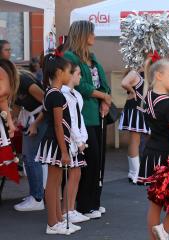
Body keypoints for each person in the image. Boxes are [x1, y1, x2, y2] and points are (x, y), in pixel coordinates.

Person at [63, 20, 111, 219]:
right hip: (83, 117)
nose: (94, 36)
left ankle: (94, 202)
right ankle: (83, 205)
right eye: (91, 33)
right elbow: (78, 85)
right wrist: (102, 96)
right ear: (83, 34)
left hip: (98, 115)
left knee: (99, 161)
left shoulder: (92, 57)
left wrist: (106, 99)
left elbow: (104, 83)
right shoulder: (69, 57)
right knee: (88, 162)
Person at [136, 58, 169, 240]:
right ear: (159, 75)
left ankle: (157, 235)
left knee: (156, 204)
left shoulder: (148, 97)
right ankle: (164, 230)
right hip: (167, 158)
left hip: (151, 154)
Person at [34, 54, 79, 235]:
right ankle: (52, 223)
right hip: (56, 143)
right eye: (69, 72)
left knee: (57, 181)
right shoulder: (56, 96)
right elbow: (58, 125)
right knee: (52, 183)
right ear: (60, 73)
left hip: (56, 142)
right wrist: (64, 151)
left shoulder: (52, 93)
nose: (70, 75)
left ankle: (59, 219)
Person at [12, 70, 46, 211]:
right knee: (28, 158)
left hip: (41, 119)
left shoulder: (25, 81)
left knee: (32, 158)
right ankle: (35, 195)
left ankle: (37, 198)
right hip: (31, 118)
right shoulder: (12, 83)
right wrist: (13, 120)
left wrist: (35, 124)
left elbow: (47, 103)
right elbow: (17, 105)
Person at [60, 64, 90, 223]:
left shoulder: (77, 94)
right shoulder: (64, 94)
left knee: (77, 174)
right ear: (70, 75)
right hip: (70, 141)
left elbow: (80, 119)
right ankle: (66, 210)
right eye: (78, 73)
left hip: (78, 140)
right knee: (72, 174)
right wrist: (78, 141)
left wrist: (83, 138)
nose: (80, 77)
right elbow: (70, 121)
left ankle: (71, 208)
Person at [119, 67, 150, 184]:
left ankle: (134, 172)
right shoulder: (134, 73)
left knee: (136, 141)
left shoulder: (144, 75)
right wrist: (132, 91)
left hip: (140, 110)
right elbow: (124, 83)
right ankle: (135, 173)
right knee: (134, 141)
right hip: (134, 110)